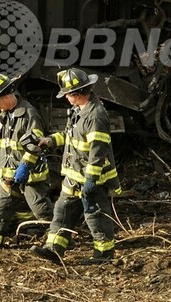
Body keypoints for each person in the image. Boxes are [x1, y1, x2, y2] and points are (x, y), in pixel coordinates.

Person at [30, 68, 121, 265]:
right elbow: (71, 136)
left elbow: (98, 151)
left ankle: (104, 255)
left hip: (91, 179)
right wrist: (49, 141)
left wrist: (91, 180)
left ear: (77, 94)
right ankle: (54, 249)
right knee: (62, 211)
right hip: (73, 176)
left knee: (96, 216)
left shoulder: (95, 115)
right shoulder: (79, 111)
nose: (66, 98)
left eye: (67, 94)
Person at [0, 73, 53, 249]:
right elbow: (1, 140)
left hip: (30, 176)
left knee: (41, 208)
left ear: (6, 96)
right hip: (8, 175)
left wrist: (25, 166)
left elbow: (37, 145)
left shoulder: (29, 114)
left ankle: (59, 239)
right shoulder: (5, 114)